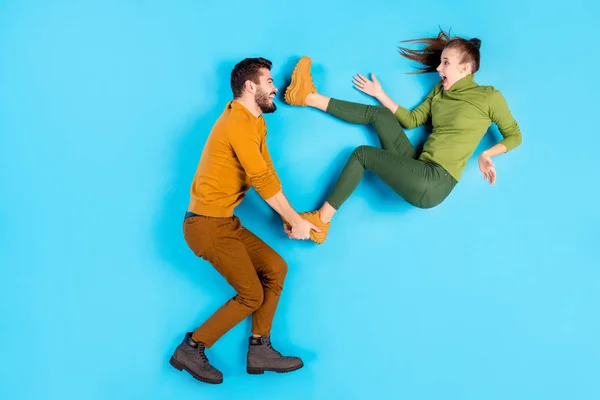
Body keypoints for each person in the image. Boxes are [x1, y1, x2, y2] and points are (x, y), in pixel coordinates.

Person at [282, 29, 522, 244]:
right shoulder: (440, 91)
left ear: (465, 68)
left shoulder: (489, 97)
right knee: (381, 115)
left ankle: (322, 221)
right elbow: (411, 120)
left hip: (435, 181)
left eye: (445, 63)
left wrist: (486, 154)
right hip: (419, 166)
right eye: (440, 63)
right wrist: (380, 94)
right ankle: (305, 96)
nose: (439, 69)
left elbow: (514, 135)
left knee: (362, 154)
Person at [169, 57, 320, 384]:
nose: (275, 88)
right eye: (269, 83)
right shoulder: (236, 122)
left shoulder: (256, 122)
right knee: (251, 294)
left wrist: (289, 216)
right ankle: (192, 347)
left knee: (276, 268)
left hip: (225, 223)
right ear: (250, 86)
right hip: (205, 225)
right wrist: (293, 219)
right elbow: (261, 180)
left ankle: (259, 348)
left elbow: (268, 173)